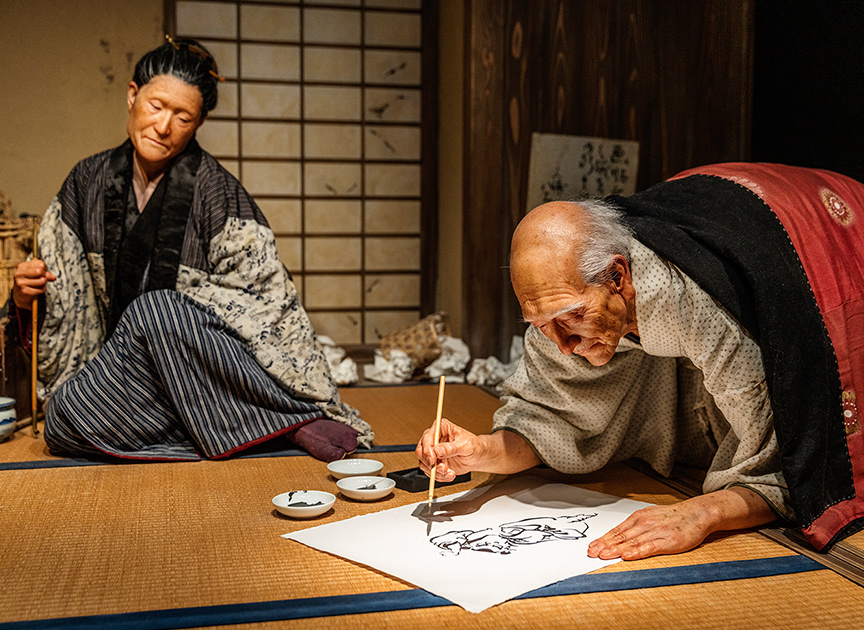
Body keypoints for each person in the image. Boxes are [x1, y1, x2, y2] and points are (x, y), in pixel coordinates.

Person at [417, 162, 864, 559]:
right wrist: (481, 451)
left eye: (570, 316)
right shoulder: (562, 312)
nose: (563, 344)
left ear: (618, 276)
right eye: (537, 323)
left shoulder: (698, 303)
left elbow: (785, 468)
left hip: (819, 225)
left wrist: (702, 514)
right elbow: (547, 419)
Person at [9, 36, 372, 462]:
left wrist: (175, 314)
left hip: (201, 376)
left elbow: (267, 307)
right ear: (132, 96)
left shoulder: (218, 193)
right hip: (122, 378)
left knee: (155, 311)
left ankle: (255, 421)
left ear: (199, 123)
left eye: (183, 117)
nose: (164, 126)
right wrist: (22, 297)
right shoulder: (85, 182)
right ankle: (257, 429)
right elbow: (62, 303)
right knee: (63, 419)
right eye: (157, 106)